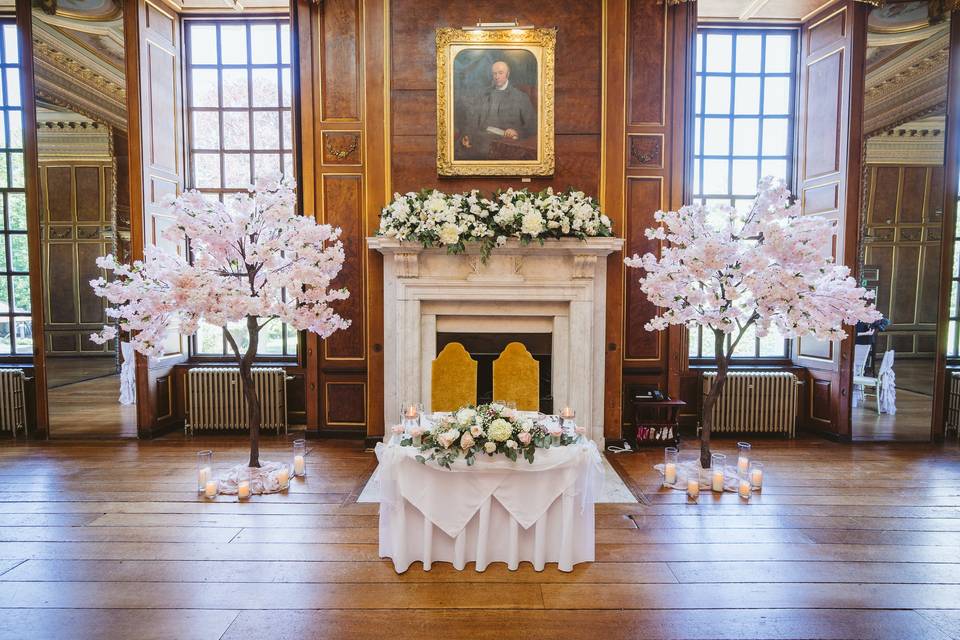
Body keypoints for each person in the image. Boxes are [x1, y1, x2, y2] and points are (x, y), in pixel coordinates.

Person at [456, 60, 536, 160]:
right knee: (458, 149)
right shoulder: (484, 94)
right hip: (478, 136)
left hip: (500, 141)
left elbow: (533, 127)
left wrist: (517, 132)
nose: (497, 77)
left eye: (500, 73)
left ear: (508, 74)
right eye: (494, 73)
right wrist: (467, 134)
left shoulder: (521, 97)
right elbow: (473, 118)